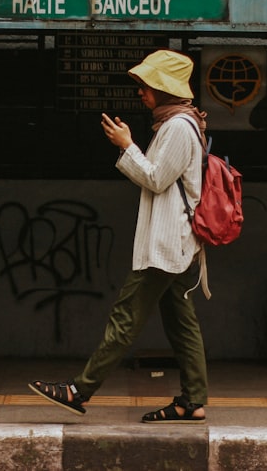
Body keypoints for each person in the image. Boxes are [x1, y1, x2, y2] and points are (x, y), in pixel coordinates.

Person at [29, 49, 211, 424]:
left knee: (125, 316)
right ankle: (193, 400)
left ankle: (79, 390)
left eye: (145, 86)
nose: (140, 93)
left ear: (163, 88)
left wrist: (127, 145)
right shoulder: (177, 123)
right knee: (181, 323)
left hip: (166, 246)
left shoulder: (178, 127)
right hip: (174, 245)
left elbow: (157, 178)